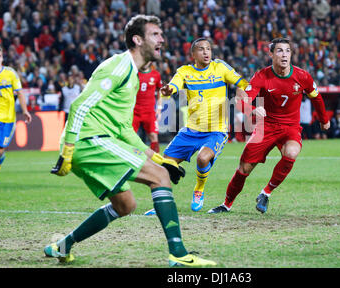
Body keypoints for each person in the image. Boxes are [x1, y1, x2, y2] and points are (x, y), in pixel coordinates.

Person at [44, 15, 216, 267]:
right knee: (160, 178)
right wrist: (67, 151)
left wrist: (158, 158)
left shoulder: (133, 76)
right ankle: (178, 254)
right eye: (155, 34)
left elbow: (124, 128)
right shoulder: (120, 66)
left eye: (161, 35)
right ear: (137, 39)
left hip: (95, 141)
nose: (162, 39)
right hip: (89, 140)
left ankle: (63, 245)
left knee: (126, 205)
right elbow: (80, 105)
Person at [208, 37, 330, 214]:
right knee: (244, 169)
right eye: (279, 51)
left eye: (287, 51)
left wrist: (323, 119)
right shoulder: (262, 76)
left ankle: (266, 193)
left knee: (291, 153)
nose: (284, 54)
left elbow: (316, 98)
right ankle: (226, 204)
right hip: (266, 127)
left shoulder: (302, 76)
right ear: (271, 54)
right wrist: (252, 109)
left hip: (291, 128)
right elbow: (243, 101)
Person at [151, 37, 249, 213]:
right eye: (201, 49)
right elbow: (173, 85)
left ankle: (199, 189)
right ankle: (163, 205)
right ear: (193, 54)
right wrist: (168, 90)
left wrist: (242, 88)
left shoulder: (220, 67)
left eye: (209, 49)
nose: (206, 52)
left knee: (202, 159)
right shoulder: (185, 71)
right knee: (164, 166)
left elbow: (242, 82)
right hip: (191, 130)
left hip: (216, 131)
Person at [0, 45, 32, 185]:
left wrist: (24, 111)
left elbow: (20, 93)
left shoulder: (10, 73)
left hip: (7, 118)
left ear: (2, 58)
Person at [132, 61, 162, 153]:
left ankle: (156, 163)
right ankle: (129, 161)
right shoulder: (134, 74)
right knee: (128, 137)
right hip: (134, 111)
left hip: (149, 112)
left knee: (154, 137)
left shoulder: (156, 74)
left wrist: (159, 108)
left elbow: (160, 91)